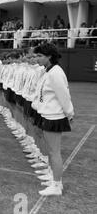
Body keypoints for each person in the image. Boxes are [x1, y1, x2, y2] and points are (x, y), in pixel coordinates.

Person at [33, 43, 74, 196]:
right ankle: (52, 177)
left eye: (39, 56)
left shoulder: (56, 72)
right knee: (50, 151)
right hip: (47, 114)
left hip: (54, 117)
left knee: (54, 151)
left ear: (49, 56)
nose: (36, 58)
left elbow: (64, 96)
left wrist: (69, 113)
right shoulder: (48, 71)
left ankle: (57, 185)